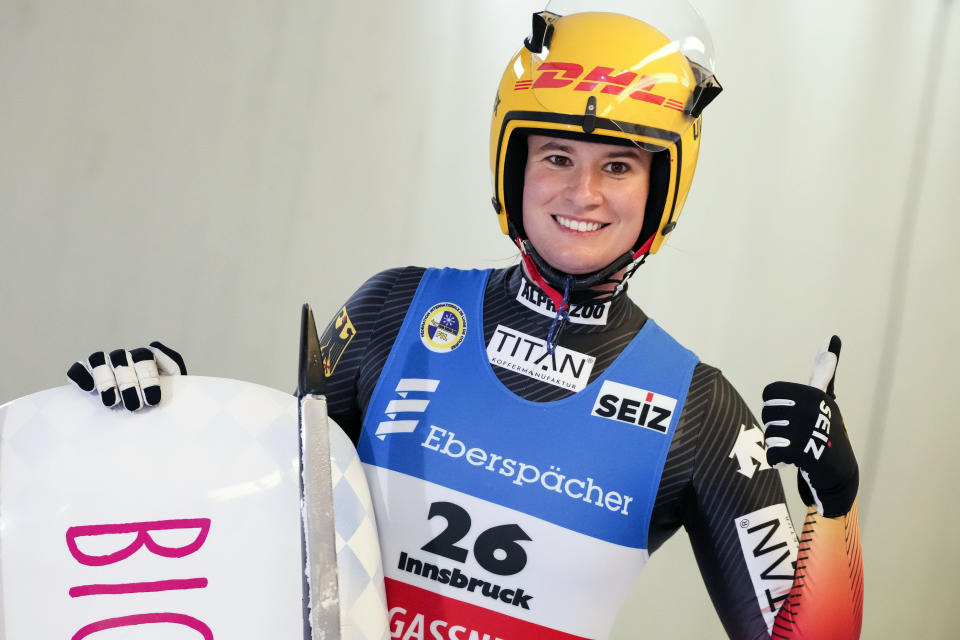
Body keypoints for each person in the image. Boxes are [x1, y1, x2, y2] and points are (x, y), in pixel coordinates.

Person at [67, 2, 863, 638]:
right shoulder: (395, 310)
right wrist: (160, 420)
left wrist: (835, 505)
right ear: (512, 167)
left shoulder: (699, 412)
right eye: (556, 156)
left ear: (663, 190)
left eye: (617, 165)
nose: (582, 193)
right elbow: (266, 511)